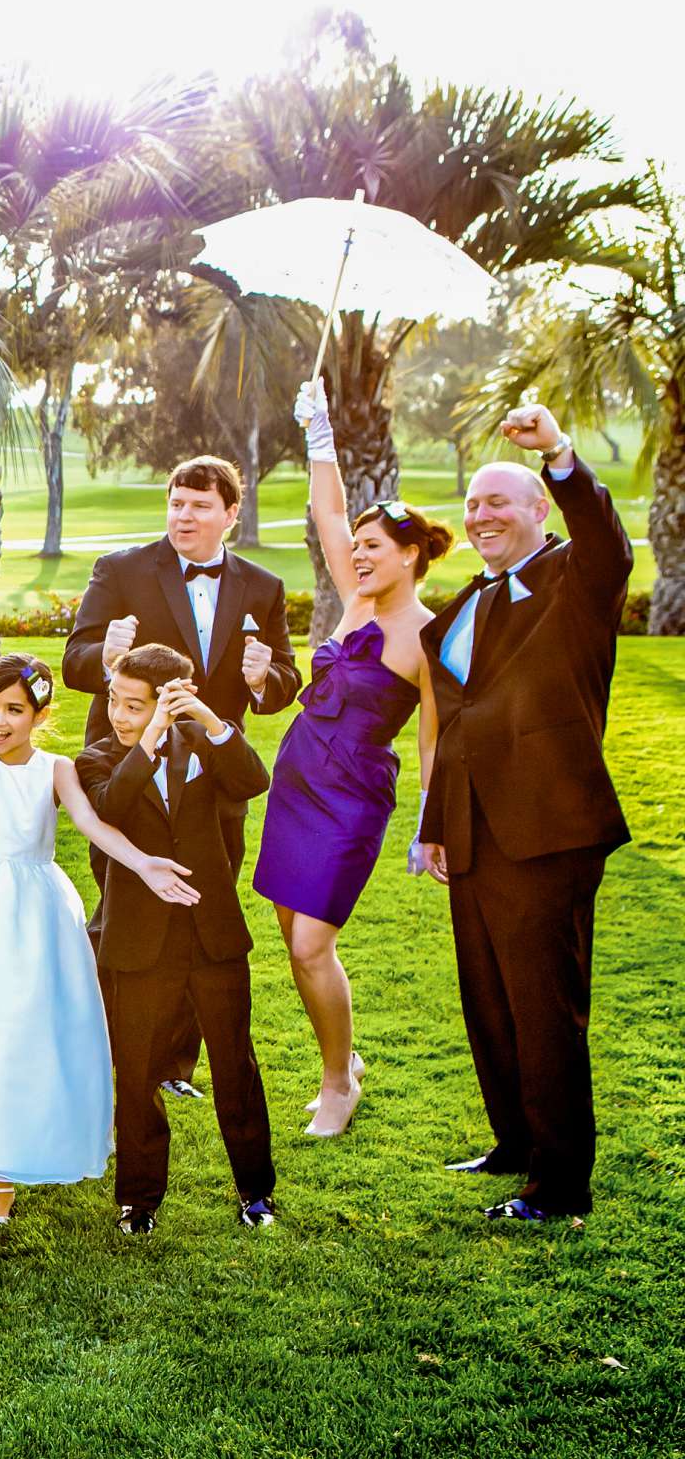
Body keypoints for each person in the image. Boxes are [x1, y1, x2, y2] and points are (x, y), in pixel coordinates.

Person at [0, 542, 198, 1225]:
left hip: (30, 915)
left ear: (40, 716)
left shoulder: (56, 769)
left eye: (15, 710)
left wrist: (143, 863)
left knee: (21, 1031)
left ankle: (7, 1175)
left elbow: (94, 826)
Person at [416, 405, 632, 1223]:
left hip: (550, 830)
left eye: (499, 503)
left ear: (539, 508)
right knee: (490, 999)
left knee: (545, 1008)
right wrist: (437, 822)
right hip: (471, 833)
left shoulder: (577, 581)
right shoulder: (465, 604)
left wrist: (559, 456)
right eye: (472, 507)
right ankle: (514, 1141)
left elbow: (609, 543)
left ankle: (561, 1183)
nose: (482, 518)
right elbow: (457, 721)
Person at [60, 454, 299, 1099]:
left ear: (230, 513)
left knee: (207, 904)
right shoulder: (123, 570)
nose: (184, 515)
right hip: (128, 771)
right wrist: (105, 658)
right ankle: (117, 1045)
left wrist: (260, 680)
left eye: (199, 505)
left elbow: (284, 680)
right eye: (176, 502)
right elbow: (75, 659)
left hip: (214, 776)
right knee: (123, 894)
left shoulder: (263, 587)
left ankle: (175, 1064)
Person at [254, 380, 452, 1135]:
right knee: (288, 931)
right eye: (358, 548)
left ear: (410, 557)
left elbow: (434, 736)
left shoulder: (429, 638)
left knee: (311, 943)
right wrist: (321, 432)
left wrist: (430, 824)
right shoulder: (354, 598)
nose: (358, 554)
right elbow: (328, 512)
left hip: (355, 795)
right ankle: (343, 1051)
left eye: (375, 548)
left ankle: (338, 1081)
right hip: (298, 778)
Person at [79, 644, 278, 1234]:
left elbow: (253, 780)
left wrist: (211, 719)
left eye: (134, 705)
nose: (119, 713)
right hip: (138, 943)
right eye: (115, 700)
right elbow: (111, 807)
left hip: (213, 937)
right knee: (136, 1072)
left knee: (234, 1065)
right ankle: (138, 1202)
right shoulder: (95, 759)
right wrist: (148, 736)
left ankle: (256, 1193)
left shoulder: (207, 745)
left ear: (172, 697)